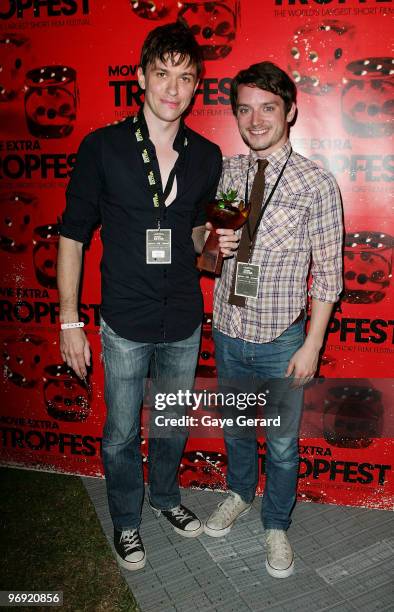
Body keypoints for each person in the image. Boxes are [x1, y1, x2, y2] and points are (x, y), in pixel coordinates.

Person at [57, 22, 237, 571]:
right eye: (162, 74)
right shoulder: (103, 147)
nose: (172, 88)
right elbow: (72, 235)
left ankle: (164, 498)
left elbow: (193, 238)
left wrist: (216, 241)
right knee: (119, 430)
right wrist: (68, 321)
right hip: (126, 320)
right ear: (140, 78)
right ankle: (127, 520)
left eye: (185, 78)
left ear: (195, 87)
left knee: (171, 421)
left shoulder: (207, 156)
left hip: (184, 316)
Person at [204, 62, 343, 578]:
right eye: (245, 109)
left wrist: (311, 345)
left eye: (267, 107)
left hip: (282, 338)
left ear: (290, 111)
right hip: (228, 327)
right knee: (237, 428)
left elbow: (329, 273)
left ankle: (276, 523)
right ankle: (239, 493)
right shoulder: (229, 173)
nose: (255, 119)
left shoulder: (316, 183)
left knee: (282, 441)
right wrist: (210, 243)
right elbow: (207, 254)